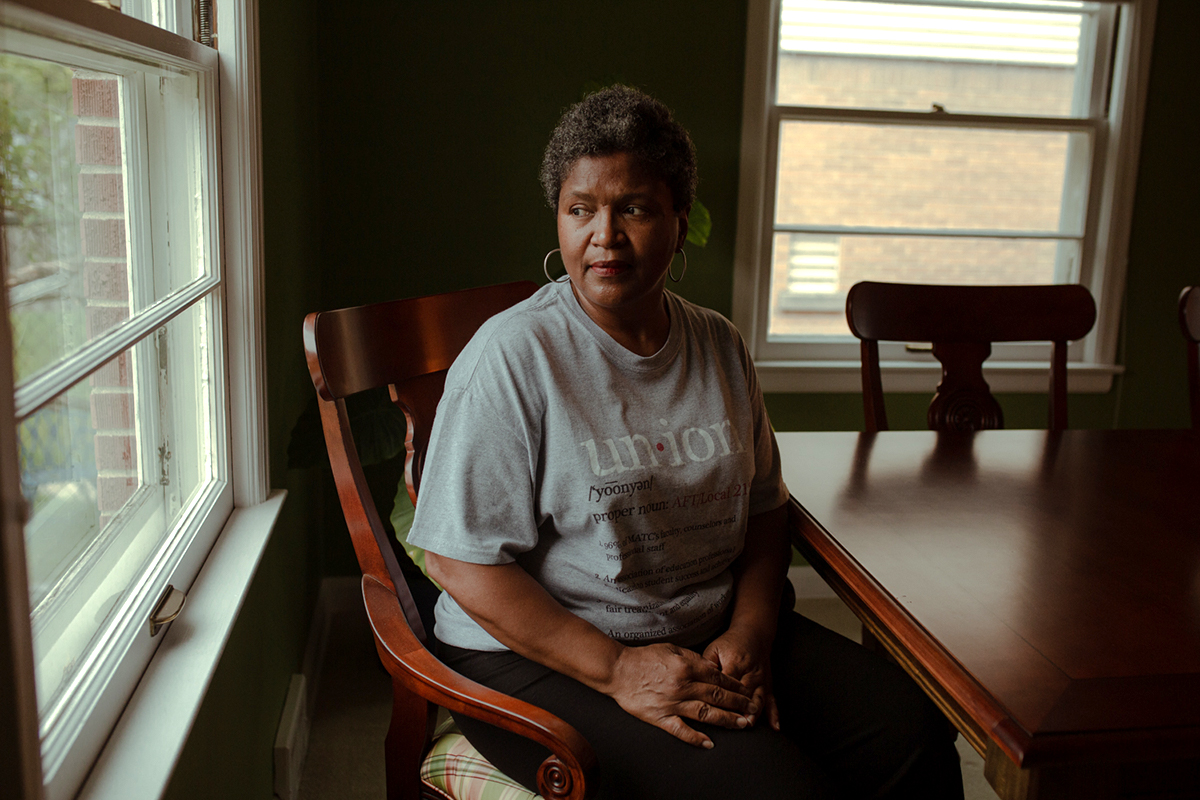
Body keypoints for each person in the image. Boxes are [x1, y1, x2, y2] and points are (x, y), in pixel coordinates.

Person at [406, 85, 963, 799]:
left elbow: (765, 512)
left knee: (911, 731)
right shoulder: (514, 358)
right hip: (540, 653)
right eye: (580, 210)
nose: (603, 236)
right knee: (773, 786)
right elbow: (460, 562)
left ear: (679, 218)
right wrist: (618, 670)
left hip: (710, 630)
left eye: (633, 207)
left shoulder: (718, 344)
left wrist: (754, 630)